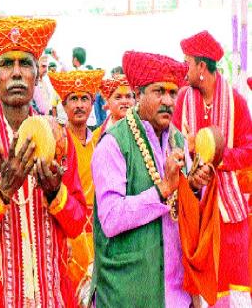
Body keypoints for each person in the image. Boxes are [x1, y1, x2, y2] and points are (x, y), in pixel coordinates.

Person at [0, 16, 87, 307]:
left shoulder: (60, 140)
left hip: (53, 296)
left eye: (25, 64)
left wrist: (55, 193)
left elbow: (78, 225)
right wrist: (2, 192)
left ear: (37, 75)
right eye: (7, 64)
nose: (16, 73)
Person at [91, 50, 211, 307]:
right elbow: (110, 219)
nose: (168, 100)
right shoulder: (113, 144)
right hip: (128, 291)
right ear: (138, 94)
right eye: (159, 91)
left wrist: (195, 187)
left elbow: (186, 211)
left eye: (172, 93)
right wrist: (163, 189)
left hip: (177, 293)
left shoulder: (177, 139)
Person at [173, 30, 252, 306]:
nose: (185, 69)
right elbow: (173, 146)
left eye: (188, 63)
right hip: (195, 208)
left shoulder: (237, 101)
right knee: (199, 283)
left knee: (233, 287)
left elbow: (249, 150)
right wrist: (191, 161)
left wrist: (217, 157)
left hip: (229, 212)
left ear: (202, 67)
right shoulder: (183, 100)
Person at [48, 69, 104, 305]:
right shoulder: (57, 140)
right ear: (63, 104)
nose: (79, 105)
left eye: (84, 99)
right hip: (70, 233)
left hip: (99, 234)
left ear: (92, 103)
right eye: (73, 99)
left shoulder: (103, 140)